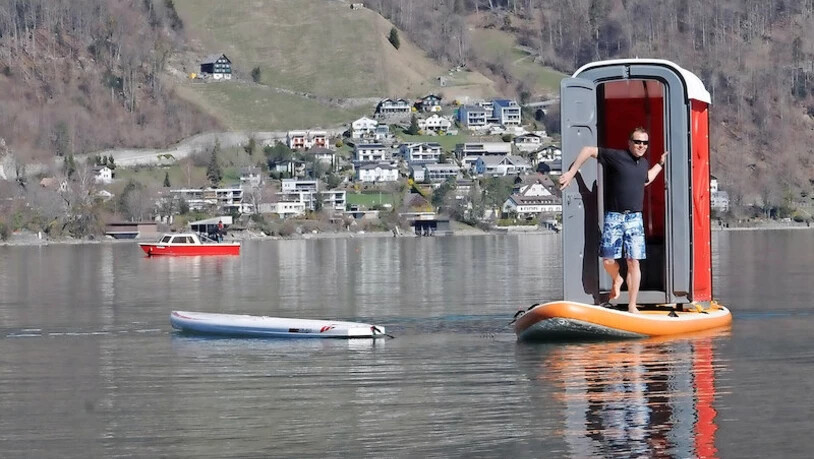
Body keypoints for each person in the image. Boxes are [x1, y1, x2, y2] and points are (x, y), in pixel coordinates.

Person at [558, 127, 667, 313]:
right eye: (637, 142)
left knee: (634, 262)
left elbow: (646, 179)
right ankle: (617, 278)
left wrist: (660, 164)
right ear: (630, 142)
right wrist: (572, 173)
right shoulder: (616, 156)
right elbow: (588, 150)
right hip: (614, 216)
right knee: (608, 260)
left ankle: (632, 305)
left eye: (645, 143)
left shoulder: (643, 164)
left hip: (635, 218)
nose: (641, 145)